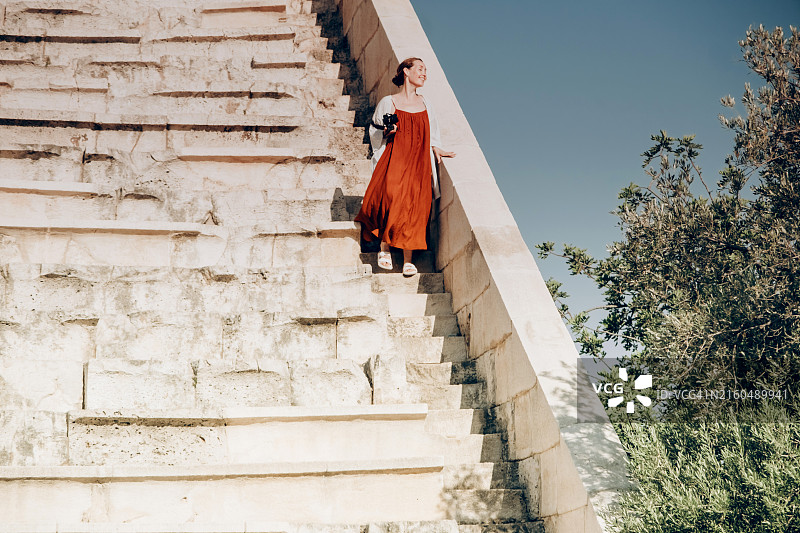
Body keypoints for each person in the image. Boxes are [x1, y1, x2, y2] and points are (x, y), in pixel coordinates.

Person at [354, 57, 456, 276]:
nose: (424, 73)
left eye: (426, 70)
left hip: (419, 160)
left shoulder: (426, 103)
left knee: (416, 203)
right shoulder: (388, 101)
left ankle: (409, 258)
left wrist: (437, 147)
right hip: (394, 156)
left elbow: (433, 131)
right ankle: (384, 247)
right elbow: (375, 130)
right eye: (420, 69)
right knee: (390, 196)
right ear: (406, 72)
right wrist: (385, 132)